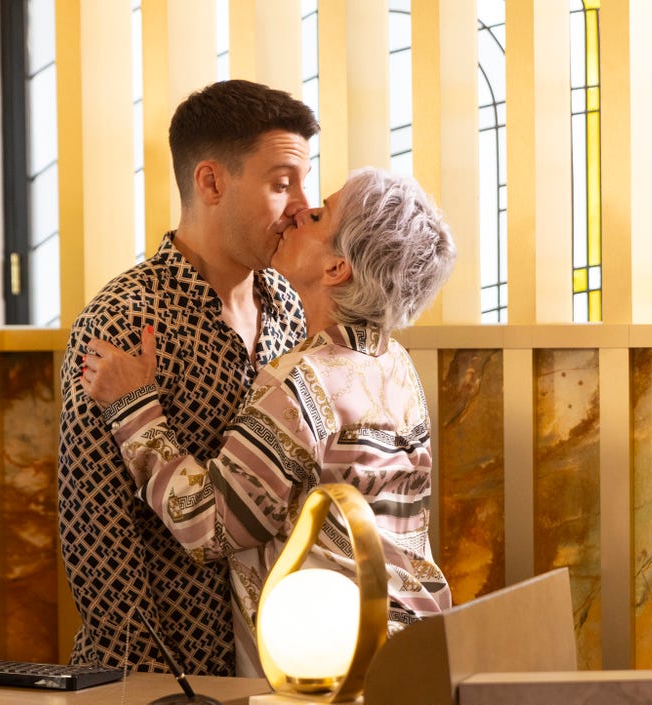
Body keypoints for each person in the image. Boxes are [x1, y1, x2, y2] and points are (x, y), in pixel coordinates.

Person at [80, 166, 457, 675]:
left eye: (319, 215)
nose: (299, 211)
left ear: (336, 268)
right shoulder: (396, 366)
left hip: (334, 667)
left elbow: (207, 524)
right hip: (416, 648)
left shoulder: (302, 383)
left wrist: (133, 406)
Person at [58, 79, 319, 675]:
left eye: (305, 181)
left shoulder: (289, 304)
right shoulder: (126, 320)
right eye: (282, 184)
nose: (302, 205)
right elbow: (97, 536)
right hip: (168, 671)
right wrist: (154, 683)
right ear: (211, 182)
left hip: (283, 660)